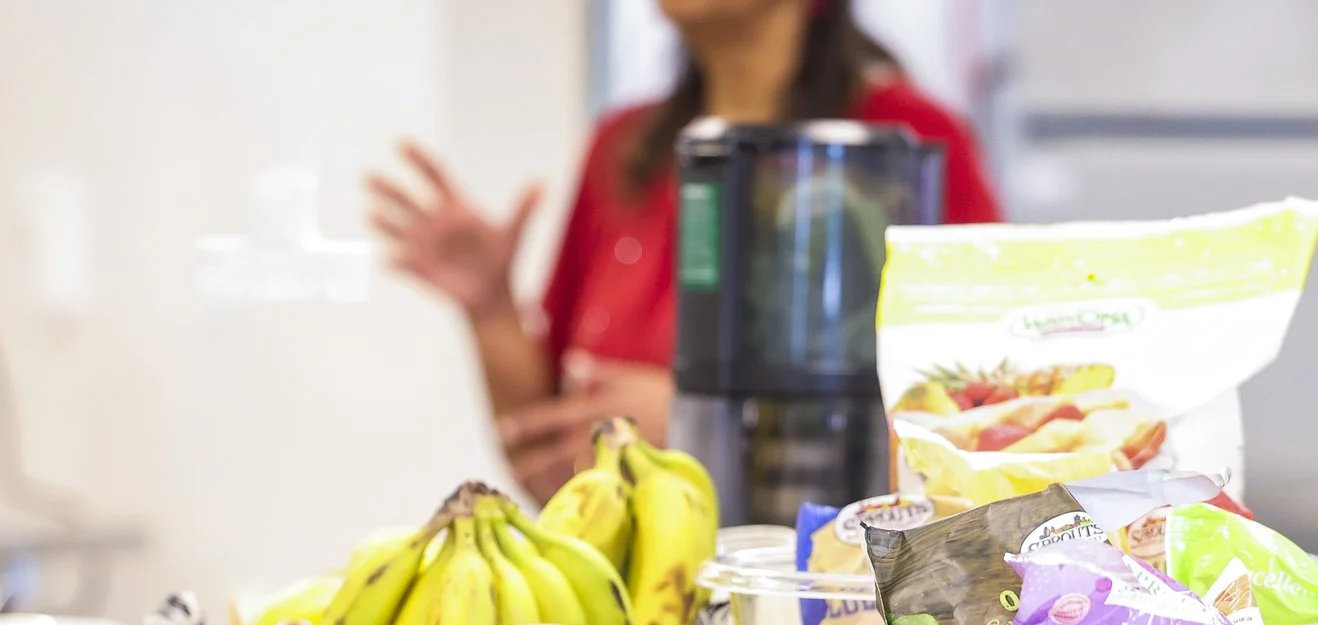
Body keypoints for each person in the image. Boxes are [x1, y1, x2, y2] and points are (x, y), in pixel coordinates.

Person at [367, 0, 1000, 500]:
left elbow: (984, 416)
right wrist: (491, 310)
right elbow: (548, 457)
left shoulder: (908, 142)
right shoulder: (622, 145)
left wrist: (707, 429)